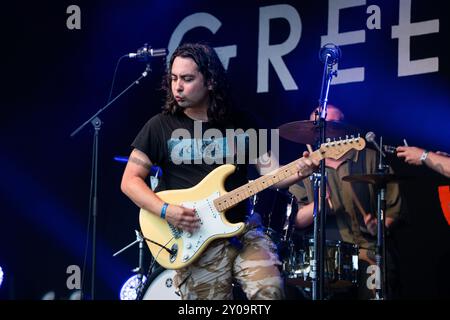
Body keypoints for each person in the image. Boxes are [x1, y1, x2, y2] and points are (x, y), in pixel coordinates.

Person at [120, 43, 318, 300]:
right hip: (195, 237)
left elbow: (272, 176)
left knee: (270, 291)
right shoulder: (159, 126)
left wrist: (303, 169)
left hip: (243, 230)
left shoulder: (244, 123)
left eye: (187, 79)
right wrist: (167, 211)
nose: (177, 87)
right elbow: (130, 182)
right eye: (174, 78)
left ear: (210, 81)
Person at [288, 104, 402, 300]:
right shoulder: (304, 168)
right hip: (324, 259)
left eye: (334, 124)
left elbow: (393, 209)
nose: (328, 130)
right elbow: (295, 220)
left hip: (368, 251)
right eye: (321, 126)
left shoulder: (370, 158)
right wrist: (320, 205)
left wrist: (381, 227)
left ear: (345, 127)